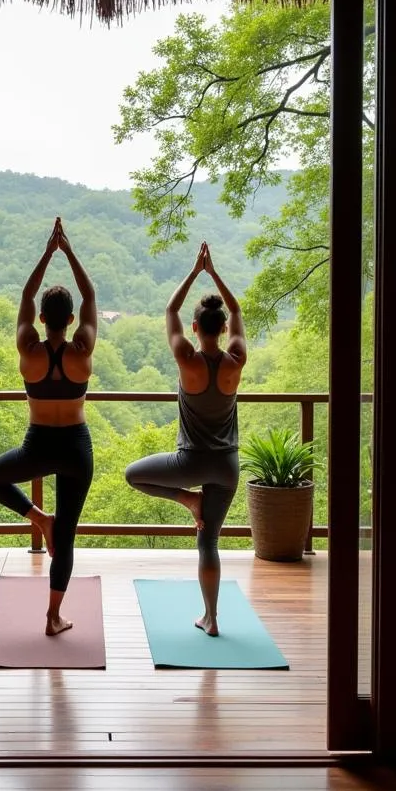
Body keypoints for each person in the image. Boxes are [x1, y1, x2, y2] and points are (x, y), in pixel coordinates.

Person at [0, 218, 96, 636]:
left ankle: (37, 518)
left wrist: (48, 252)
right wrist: (70, 251)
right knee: (66, 536)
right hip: (77, 448)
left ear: (44, 317)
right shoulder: (83, 350)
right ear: (71, 320)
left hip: (39, 445)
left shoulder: (29, 350)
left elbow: (26, 294)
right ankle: (53, 616)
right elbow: (90, 295)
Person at [124, 242, 246, 637]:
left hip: (190, 462)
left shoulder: (186, 358)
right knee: (208, 542)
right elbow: (239, 310)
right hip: (227, 466)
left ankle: (186, 498)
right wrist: (216, 276)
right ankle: (211, 618)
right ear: (223, 329)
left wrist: (196, 271)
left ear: (196, 329)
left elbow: (170, 310)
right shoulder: (236, 360)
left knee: (133, 474)